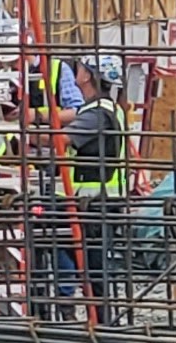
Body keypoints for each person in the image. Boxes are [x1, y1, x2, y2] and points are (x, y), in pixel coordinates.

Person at [47, 54, 126, 326]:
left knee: (93, 268)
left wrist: (24, 131)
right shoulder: (100, 109)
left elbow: (63, 139)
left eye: (79, 67)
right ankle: (95, 320)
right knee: (83, 262)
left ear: (88, 75)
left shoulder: (98, 113)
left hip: (94, 204)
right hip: (90, 202)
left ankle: (102, 324)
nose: (74, 71)